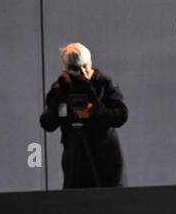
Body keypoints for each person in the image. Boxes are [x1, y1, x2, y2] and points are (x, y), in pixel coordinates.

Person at [39, 43, 128, 188]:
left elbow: (121, 116)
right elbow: (49, 123)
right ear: (66, 68)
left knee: (109, 201)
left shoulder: (103, 84)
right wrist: (61, 104)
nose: (81, 73)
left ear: (90, 62)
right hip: (75, 154)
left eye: (84, 67)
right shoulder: (62, 88)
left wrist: (93, 110)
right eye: (75, 69)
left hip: (104, 155)